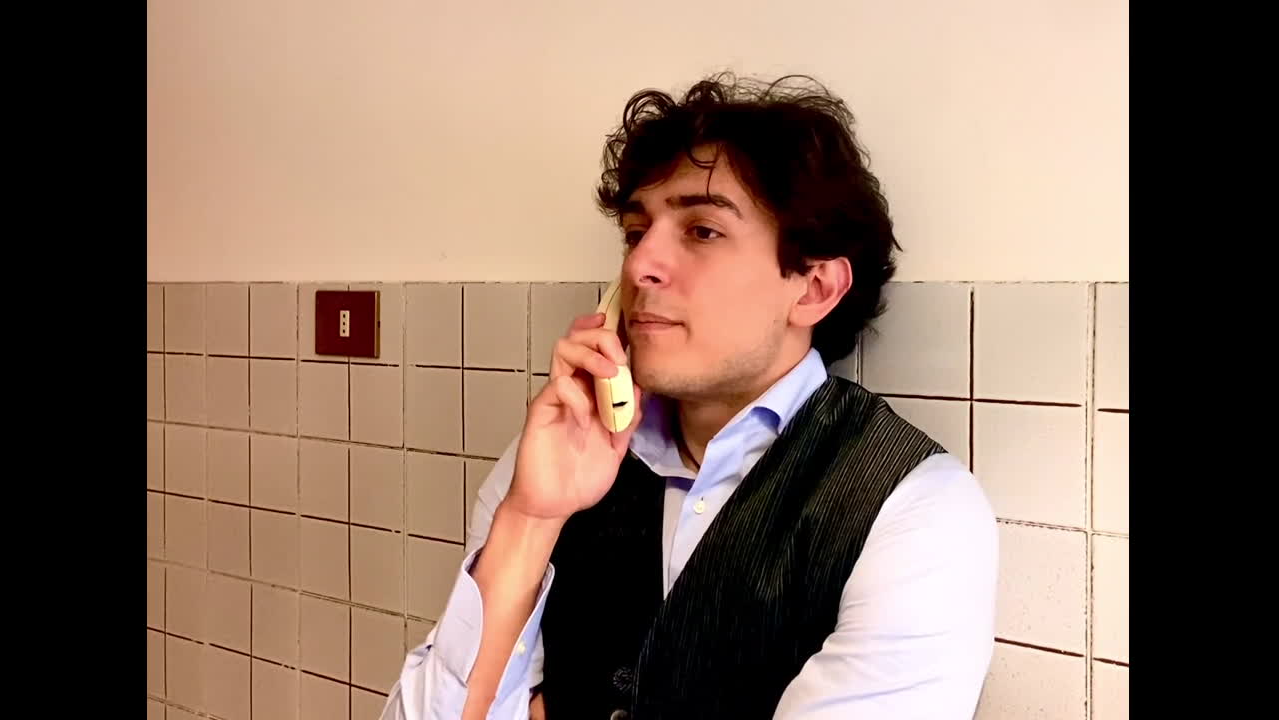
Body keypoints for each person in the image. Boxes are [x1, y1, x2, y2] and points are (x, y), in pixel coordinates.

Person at [381, 73, 997, 720]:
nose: (639, 264)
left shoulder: (915, 510)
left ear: (814, 288)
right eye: (635, 231)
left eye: (702, 230)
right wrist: (530, 519)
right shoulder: (554, 462)